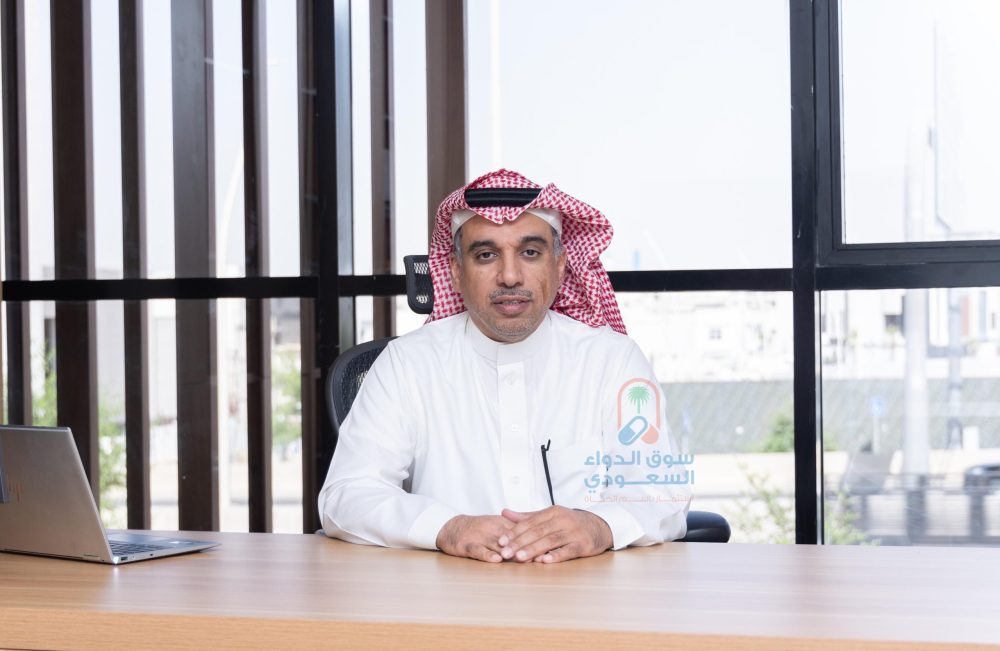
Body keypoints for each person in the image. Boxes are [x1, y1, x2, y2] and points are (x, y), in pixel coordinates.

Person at [319, 169, 691, 563]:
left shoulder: (612, 360)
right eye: (486, 255)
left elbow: (661, 495)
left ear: (560, 265)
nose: (510, 276)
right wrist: (448, 528)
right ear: (456, 271)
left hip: (583, 590)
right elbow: (346, 495)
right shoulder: (407, 364)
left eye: (530, 253)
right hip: (449, 589)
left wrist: (598, 526)